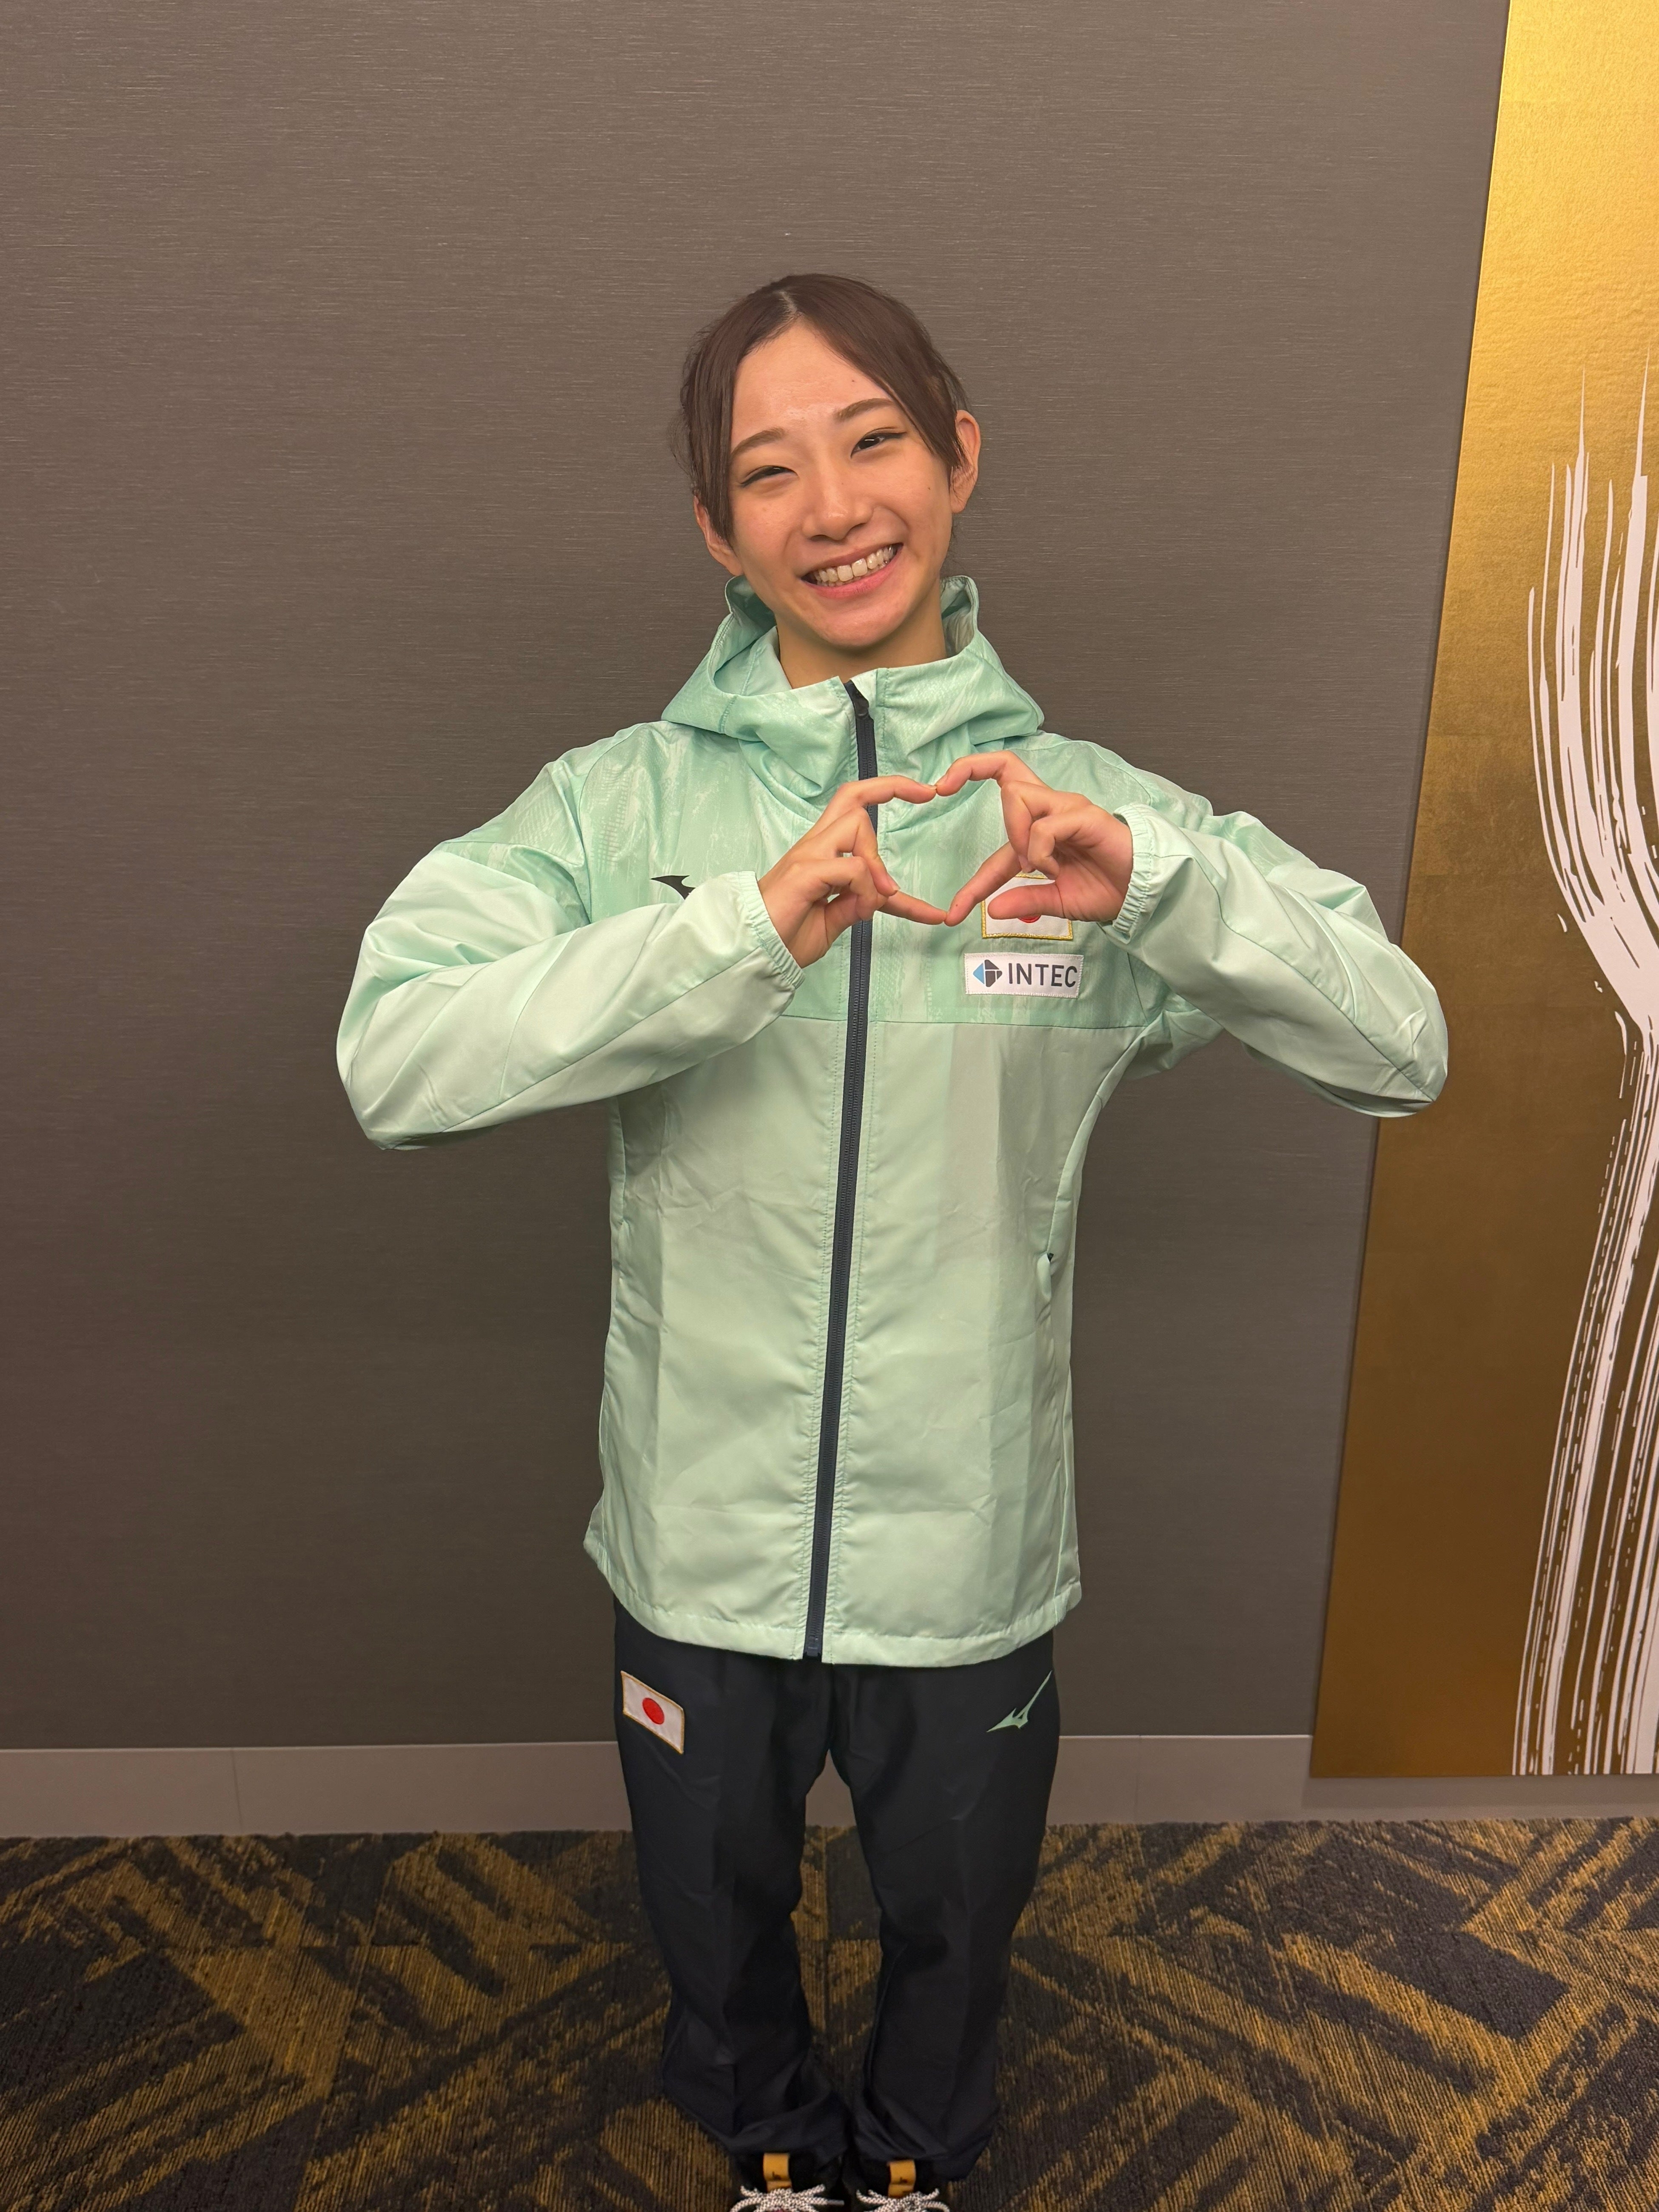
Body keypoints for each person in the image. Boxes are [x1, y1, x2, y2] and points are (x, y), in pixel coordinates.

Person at [336, 274, 1447, 2209]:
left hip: (968, 1542)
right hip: (700, 1530)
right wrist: (737, 931)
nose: (834, 506)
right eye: (769, 471)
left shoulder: (1089, 818)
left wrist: (1159, 891)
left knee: (957, 1908)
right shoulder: (617, 806)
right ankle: (773, 2143)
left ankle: (920, 2161)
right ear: (716, 526)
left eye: (873, 443)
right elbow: (395, 1057)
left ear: (959, 459)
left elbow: (1400, 1048)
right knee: (712, 1903)